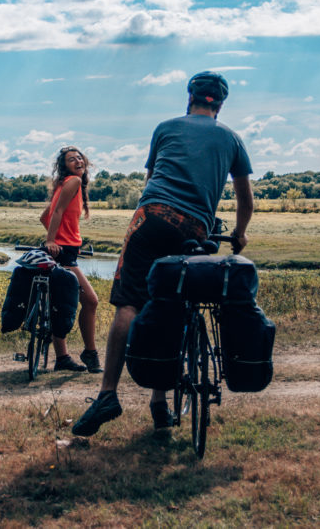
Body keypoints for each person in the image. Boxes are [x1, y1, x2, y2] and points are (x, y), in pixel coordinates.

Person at [72, 71, 253, 437]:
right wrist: (240, 234)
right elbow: (245, 198)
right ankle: (158, 403)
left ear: (190, 97)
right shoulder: (232, 139)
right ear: (220, 104)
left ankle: (107, 393)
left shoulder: (165, 128)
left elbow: (152, 178)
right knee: (173, 303)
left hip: (151, 217)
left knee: (130, 304)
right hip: (196, 228)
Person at [39, 146, 103, 373]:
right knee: (91, 301)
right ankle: (90, 352)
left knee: (60, 302)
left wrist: (55, 238)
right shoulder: (73, 182)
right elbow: (54, 214)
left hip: (64, 249)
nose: (77, 161)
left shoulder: (63, 184)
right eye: (71, 159)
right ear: (64, 165)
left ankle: (63, 357)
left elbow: (44, 215)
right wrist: (52, 241)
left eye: (79, 157)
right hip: (63, 252)